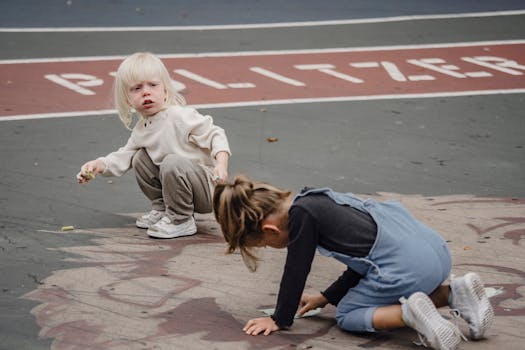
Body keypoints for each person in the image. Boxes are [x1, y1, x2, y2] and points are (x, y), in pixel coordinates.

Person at [212, 175, 494, 350]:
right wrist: (325, 297)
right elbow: (364, 266)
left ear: (269, 230)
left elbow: (296, 270)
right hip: (437, 254)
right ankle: (456, 293)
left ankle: (409, 314)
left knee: (348, 313)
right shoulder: (316, 200)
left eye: (263, 244)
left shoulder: (301, 219)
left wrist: (279, 318)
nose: (269, 247)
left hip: (410, 268)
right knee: (376, 280)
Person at [77, 52, 231, 239]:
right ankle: (164, 208)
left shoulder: (179, 116)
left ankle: (181, 219)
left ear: (165, 90)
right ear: (128, 100)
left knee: (171, 162)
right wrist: (98, 165)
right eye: (137, 88)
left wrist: (221, 165)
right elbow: (124, 156)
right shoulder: (142, 129)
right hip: (179, 188)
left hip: (207, 189)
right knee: (139, 157)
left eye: (153, 85)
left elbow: (216, 134)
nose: (146, 92)